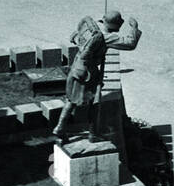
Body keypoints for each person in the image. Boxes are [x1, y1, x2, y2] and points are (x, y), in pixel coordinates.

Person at [52, 9, 142, 142]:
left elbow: (74, 37)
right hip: (88, 72)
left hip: (77, 67)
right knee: (94, 102)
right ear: (114, 24)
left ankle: (60, 128)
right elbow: (130, 44)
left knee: (71, 100)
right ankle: (92, 133)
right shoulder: (106, 36)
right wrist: (134, 28)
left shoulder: (91, 27)